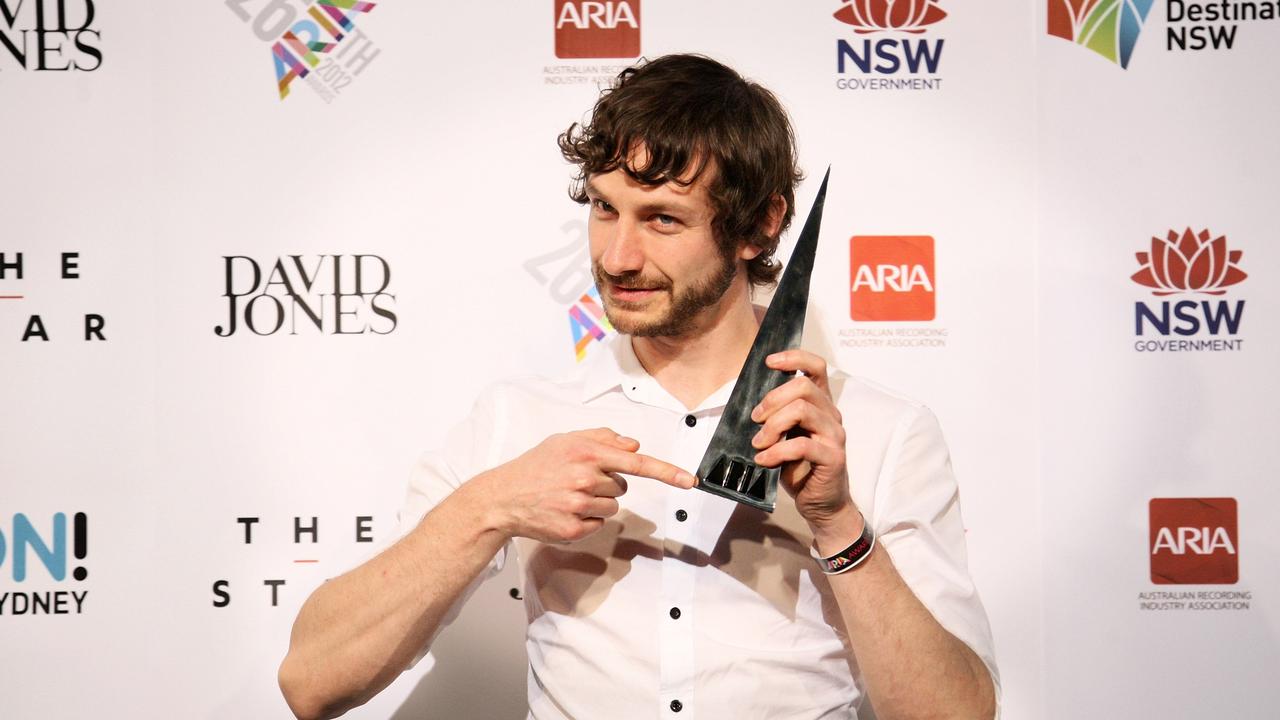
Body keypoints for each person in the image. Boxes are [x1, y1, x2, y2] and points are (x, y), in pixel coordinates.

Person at [278, 53, 998, 720]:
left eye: (662, 219)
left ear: (761, 223)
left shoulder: (880, 431)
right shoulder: (518, 420)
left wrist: (838, 523)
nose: (618, 256)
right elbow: (312, 682)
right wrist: (490, 506)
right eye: (603, 208)